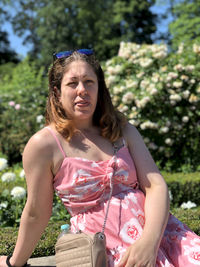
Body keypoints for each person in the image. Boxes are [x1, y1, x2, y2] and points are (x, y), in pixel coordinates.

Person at [0, 49, 200, 267]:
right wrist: (14, 263)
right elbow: (37, 212)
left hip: (163, 236)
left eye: (89, 82)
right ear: (57, 92)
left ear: (99, 88)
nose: (82, 90)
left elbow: (156, 186)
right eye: (72, 83)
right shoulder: (44, 145)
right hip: (103, 251)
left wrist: (149, 242)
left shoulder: (124, 131)